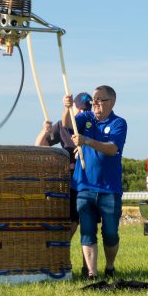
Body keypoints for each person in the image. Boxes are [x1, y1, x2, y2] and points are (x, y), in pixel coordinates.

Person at [67, 86, 127, 280]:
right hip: (84, 186)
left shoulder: (119, 123)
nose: (95, 104)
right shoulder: (86, 119)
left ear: (112, 102)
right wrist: (67, 107)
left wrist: (87, 141)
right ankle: (91, 273)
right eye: (94, 100)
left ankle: (109, 266)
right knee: (87, 231)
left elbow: (111, 149)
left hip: (109, 188)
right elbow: (68, 124)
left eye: (100, 100)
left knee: (110, 233)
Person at [35, 92, 91, 237]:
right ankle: (60, 246)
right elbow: (40, 146)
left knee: (76, 220)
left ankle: (65, 246)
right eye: (80, 108)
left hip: (86, 176)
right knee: (64, 217)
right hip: (66, 177)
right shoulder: (61, 125)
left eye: (86, 110)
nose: (83, 112)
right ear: (74, 108)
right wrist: (44, 131)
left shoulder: (90, 125)